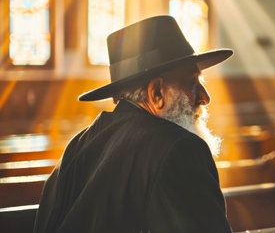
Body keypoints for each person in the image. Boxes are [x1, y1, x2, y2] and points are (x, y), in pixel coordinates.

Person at [34, 15, 233, 233]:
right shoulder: (181, 149)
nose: (204, 97)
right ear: (156, 93)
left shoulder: (75, 147)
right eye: (192, 82)